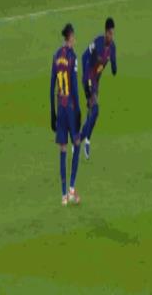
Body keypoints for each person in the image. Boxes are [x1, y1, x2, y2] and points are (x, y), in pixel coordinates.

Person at [50, 23, 82, 206]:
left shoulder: (56, 56)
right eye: (74, 37)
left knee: (62, 149)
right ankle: (71, 189)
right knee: (77, 143)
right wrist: (78, 111)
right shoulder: (72, 57)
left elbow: (51, 86)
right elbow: (75, 88)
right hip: (69, 107)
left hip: (60, 107)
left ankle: (63, 196)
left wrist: (52, 112)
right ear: (70, 37)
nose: (75, 40)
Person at [80, 18, 117, 160]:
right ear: (106, 32)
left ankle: (79, 140)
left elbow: (113, 67)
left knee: (93, 115)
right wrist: (86, 79)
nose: (112, 36)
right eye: (110, 33)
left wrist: (114, 67)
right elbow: (84, 56)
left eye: (113, 34)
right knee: (95, 110)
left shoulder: (112, 47)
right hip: (89, 79)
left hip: (96, 82)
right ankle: (86, 141)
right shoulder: (97, 42)